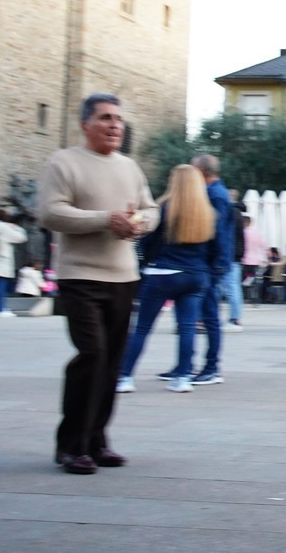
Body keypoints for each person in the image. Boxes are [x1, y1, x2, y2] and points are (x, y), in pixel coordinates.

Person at [38, 92, 158, 474]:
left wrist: (139, 223)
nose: (114, 126)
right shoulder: (64, 162)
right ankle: (70, 445)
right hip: (80, 276)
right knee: (91, 354)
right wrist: (106, 219)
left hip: (124, 277)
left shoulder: (129, 167)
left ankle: (96, 439)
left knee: (111, 361)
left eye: (118, 120)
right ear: (85, 124)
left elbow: (151, 209)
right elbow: (51, 213)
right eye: (106, 118)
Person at [117, 165, 217, 394]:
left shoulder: (163, 208)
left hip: (163, 273)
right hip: (195, 275)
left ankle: (125, 377)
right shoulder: (207, 211)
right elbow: (215, 248)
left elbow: (146, 243)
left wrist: (146, 262)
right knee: (187, 327)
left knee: (142, 328)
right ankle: (183, 377)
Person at [186, 154, 234, 386]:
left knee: (209, 316)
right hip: (210, 262)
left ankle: (212, 366)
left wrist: (217, 264)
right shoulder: (215, 193)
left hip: (211, 263)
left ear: (203, 172)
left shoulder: (215, 195)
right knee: (204, 315)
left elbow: (218, 232)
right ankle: (187, 365)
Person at [220, 189, 246, 328]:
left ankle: (235, 318)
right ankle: (236, 317)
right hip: (236, 255)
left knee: (230, 287)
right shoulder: (239, 213)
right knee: (234, 287)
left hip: (229, 254)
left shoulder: (230, 212)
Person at [241, 215, 268, 307]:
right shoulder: (258, 233)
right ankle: (256, 300)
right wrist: (267, 256)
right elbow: (264, 246)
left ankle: (243, 297)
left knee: (241, 279)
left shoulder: (243, 233)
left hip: (245, 260)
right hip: (256, 261)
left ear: (244, 223)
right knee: (256, 281)